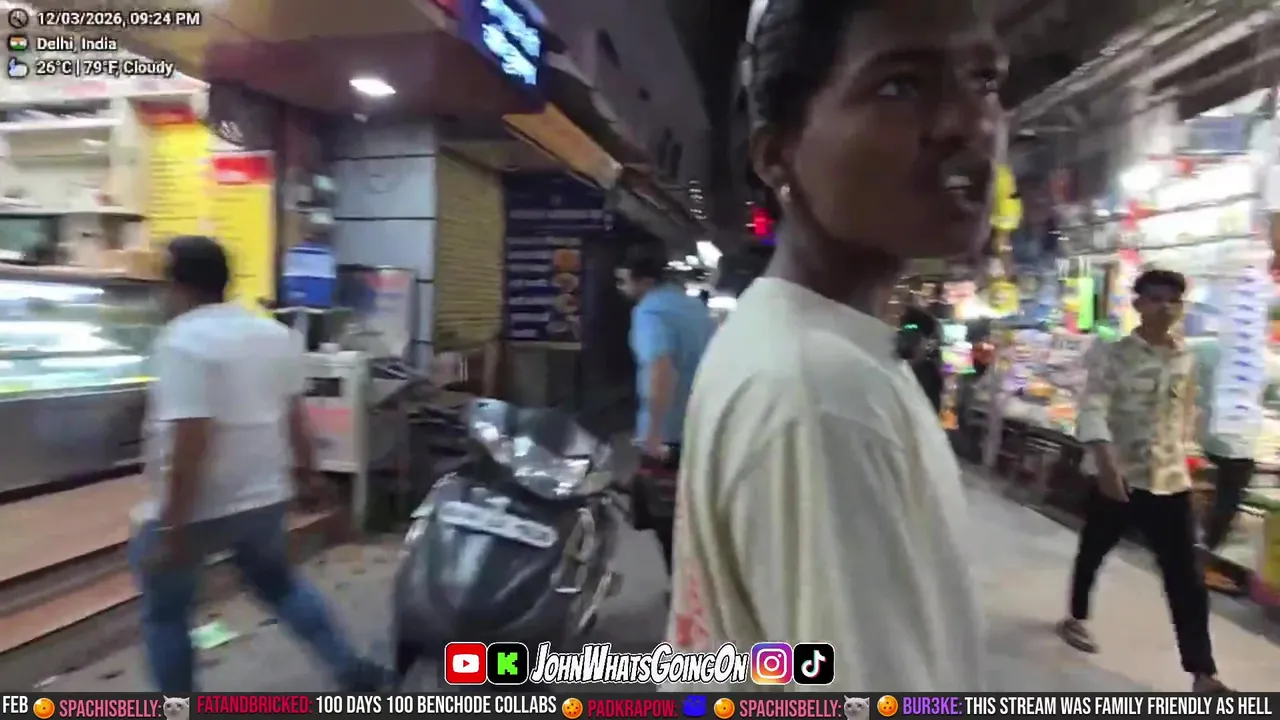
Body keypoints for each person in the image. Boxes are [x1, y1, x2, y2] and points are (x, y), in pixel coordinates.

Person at [664, 0, 1000, 690]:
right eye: (900, 86)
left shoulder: (797, 341)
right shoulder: (824, 395)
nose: (968, 122)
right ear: (776, 155)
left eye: (984, 81)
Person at [130, 236, 388, 692]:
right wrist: (310, 476)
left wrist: (172, 527)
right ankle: (352, 669)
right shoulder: (272, 334)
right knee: (280, 585)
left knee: (165, 615)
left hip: (201, 507)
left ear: (178, 286)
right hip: (264, 498)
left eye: (162, 284)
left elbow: (191, 437)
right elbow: (295, 417)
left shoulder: (181, 341)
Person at [1058, 269, 1230, 693]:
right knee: (1093, 551)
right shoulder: (1113, 355)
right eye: (1155, 298)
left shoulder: (1186, 358)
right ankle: (1075, 617)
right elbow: (1092, 407)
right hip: (1119, 477)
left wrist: (1193, 457)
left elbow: (1184, 411)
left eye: (1173, 300)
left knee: (1186, 577)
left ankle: (1202, 673)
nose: (1165, 307)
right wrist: (1105, 463)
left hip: (1170, 480)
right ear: (1137, 304)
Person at [616, 244, 715, 574]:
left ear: (643, 281)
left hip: (669, 434)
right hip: (701, 427)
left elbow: (661, 368)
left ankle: (683, 592)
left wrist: (654, 433)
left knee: (668, 524)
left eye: (624, 280)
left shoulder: (650, 312)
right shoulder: (693, 307)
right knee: (695, 518)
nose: (621, 288)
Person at [1193, 337, 1269, 595]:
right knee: (1227, 499)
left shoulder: (1208, 347)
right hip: (1233, 443)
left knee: (1220, 496)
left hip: (1211, 433)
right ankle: (1203, 561)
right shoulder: (1259, 357)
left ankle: (1202, 554)